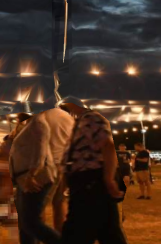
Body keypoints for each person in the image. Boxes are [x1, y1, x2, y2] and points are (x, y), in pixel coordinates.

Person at [58, 96, 127, 244]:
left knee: (77, 233)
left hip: (91, 183)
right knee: (108, 232)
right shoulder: (79, 122)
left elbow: (107, 146)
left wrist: (108, 179)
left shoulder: (92, 119)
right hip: (84, 183)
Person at [10, 106, 75, 244]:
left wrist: (32, 174)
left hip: (42, 169)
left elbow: (41, 147)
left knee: (33, 217)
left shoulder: (40, 118)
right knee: (58, 206)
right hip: (60, 166)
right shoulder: (67, 117)